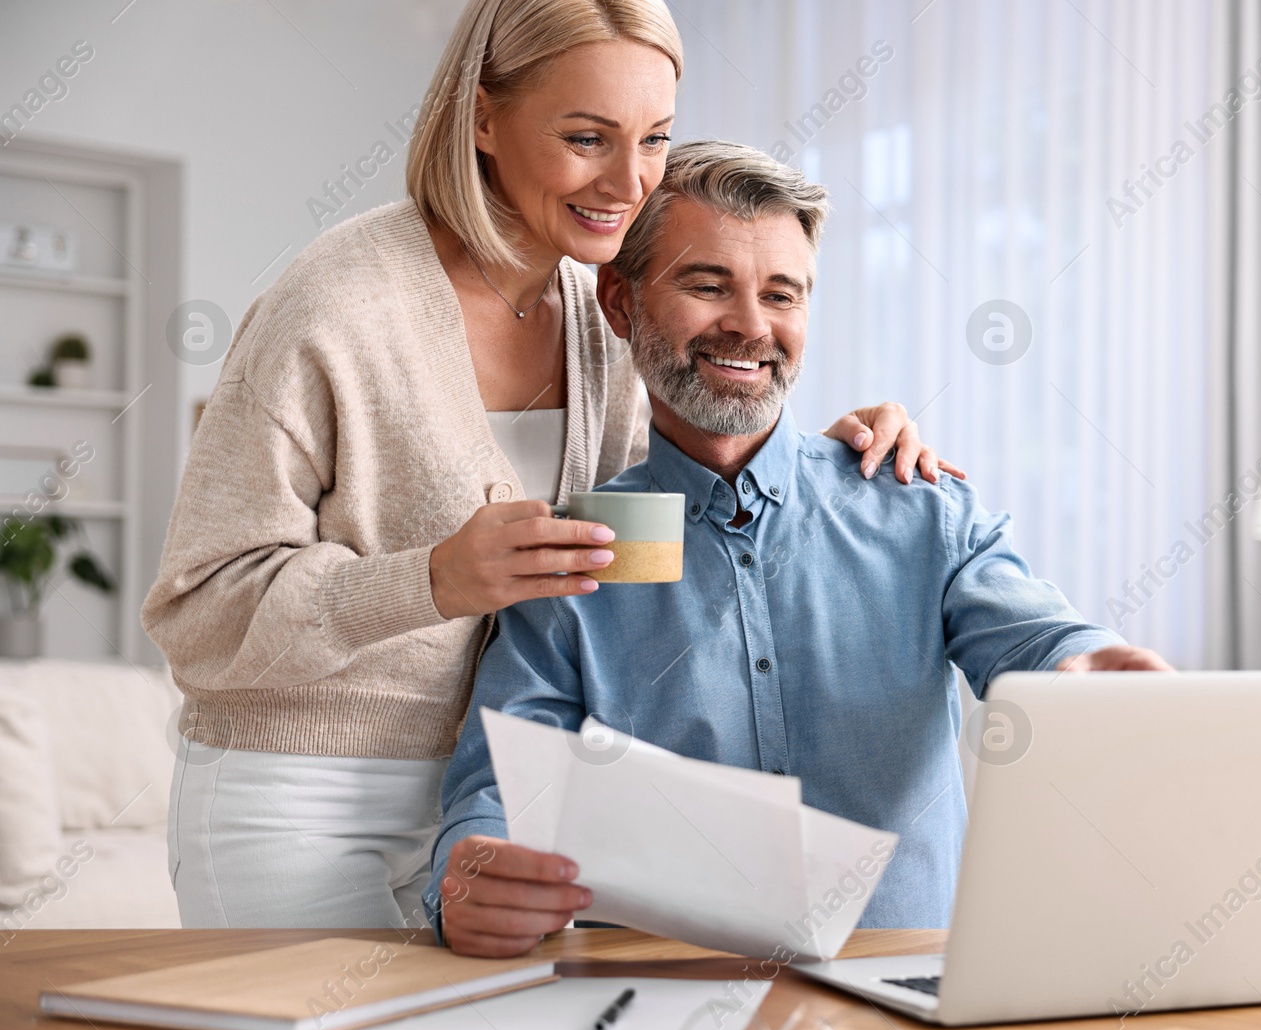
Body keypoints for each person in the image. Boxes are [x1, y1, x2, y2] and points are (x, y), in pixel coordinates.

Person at [141, 0, 958, 931]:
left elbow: (669, 521)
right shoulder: (336, 306)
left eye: (654, 139)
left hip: (508, 803)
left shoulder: (603, 305)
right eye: (586, 138)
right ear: (482, 117)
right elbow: (195, 611)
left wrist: (828, 450)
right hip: (301, 800)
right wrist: (435, 579)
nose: (629, 181)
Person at [428, 140, 1173, 958]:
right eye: (707, 284)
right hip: (662, 1016)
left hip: (908, 1021)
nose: (751, 325)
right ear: (620, 302)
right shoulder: (583, 550)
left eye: (781, 294)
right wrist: (469, 876)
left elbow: (1035, 637)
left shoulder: (916, 510)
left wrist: (1085, 662)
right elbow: (499, 783)